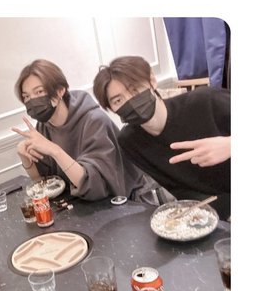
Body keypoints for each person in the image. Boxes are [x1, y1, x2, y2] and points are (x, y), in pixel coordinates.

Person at [93, 55, 230, 219]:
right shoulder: (130, 141)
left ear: (152, 80)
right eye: (118, 101)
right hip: (211, 214)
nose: (130, 101)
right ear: (111, 109)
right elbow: (179, 189)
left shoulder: (205, 101)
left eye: (134, 89)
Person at [12, 59, 154, 202]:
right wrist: (25, 157)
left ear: (60, 91)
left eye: (39, 92)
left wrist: (55, 151)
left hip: (126, 203)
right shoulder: (43, 126)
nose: (33, 101)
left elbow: (94, 186)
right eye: (26, 96)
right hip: (84, 206)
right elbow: (44, 184)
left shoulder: (94, 121)